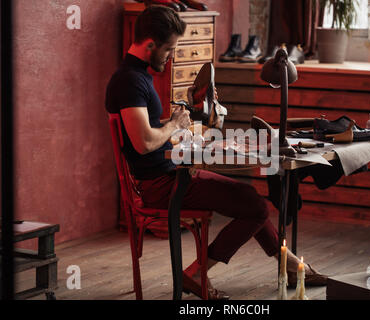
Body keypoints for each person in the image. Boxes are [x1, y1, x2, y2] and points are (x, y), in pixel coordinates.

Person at [105, 5, 326, 300]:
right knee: (255, 206)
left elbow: (148, 133)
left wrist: (188, 120)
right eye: (169, 49)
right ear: (149, 45)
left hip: (170, 174)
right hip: (159, 186)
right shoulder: (129, 81)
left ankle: (291, 264)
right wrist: (173, 124)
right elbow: (144, 142)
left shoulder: (137, 75)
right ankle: (195, 274)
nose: (171, 56)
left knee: (250, 201)